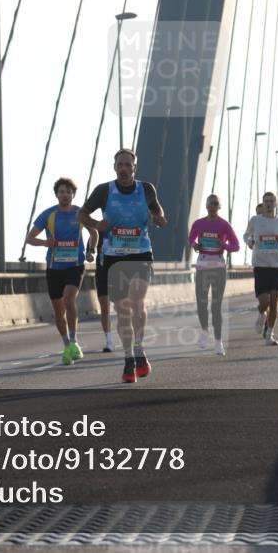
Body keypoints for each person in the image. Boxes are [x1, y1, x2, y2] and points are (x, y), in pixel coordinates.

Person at [79, 148, 166, 383]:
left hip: (140, 253)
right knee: (123, 309)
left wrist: (159, 217)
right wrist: (97, 224)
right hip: (113, 257)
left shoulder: (146, 189)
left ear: (135, 167)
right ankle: (128, 359)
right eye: (120, 165)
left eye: (129, 164)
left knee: (137, 303)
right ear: (115, 167)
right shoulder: (104, 190)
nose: (124, 169)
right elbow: (82, 214)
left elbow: (156, 208)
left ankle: (139, 349)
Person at [26, 177, 96, 366]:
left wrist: (90, 251)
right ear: (57, 194)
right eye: (61, 192)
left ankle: (74, 341)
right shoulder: (49, 214)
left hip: (75, 265)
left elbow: (95, 232)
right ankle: (67, 345)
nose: (65, 195)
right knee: (58, 311)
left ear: (73, 194)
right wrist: (44, 243)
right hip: (54, 267)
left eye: (68, 191)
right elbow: (29, 238)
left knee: (68, 300)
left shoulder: (80, 213)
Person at [188, 194, 240, 356]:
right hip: (203, 266)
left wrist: (224, 245)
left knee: (216, 306)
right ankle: (204, 332)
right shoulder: (198, 223)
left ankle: (218, 342)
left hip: (218, 267)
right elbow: (190, 239)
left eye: (215, 203)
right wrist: (194, 245)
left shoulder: (224, 225)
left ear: (219, 207)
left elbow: (236, 246)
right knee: (201, 303)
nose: (212, 205)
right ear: (206, 205)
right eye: (210, 203)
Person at [243, 192, 278, 347]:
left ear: (276, 203)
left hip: (277, 266)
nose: (269, 204)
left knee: (275, 301)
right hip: (260, 265)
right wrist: (250, 241)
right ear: (263, 204)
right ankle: (260, 314)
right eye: (266, 201)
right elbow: (246, 235)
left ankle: (269, 334)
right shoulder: (255, 220)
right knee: (264, 302)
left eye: (271, 201)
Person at [91, 232, 115, 352]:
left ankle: (130, 337)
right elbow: (92, 241)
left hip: (119, 271)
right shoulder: (99, 228)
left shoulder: (122, 225)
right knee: (105, 306)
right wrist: (89, 251)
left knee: (124, 306)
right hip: (102, 271)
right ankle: (109, 341)